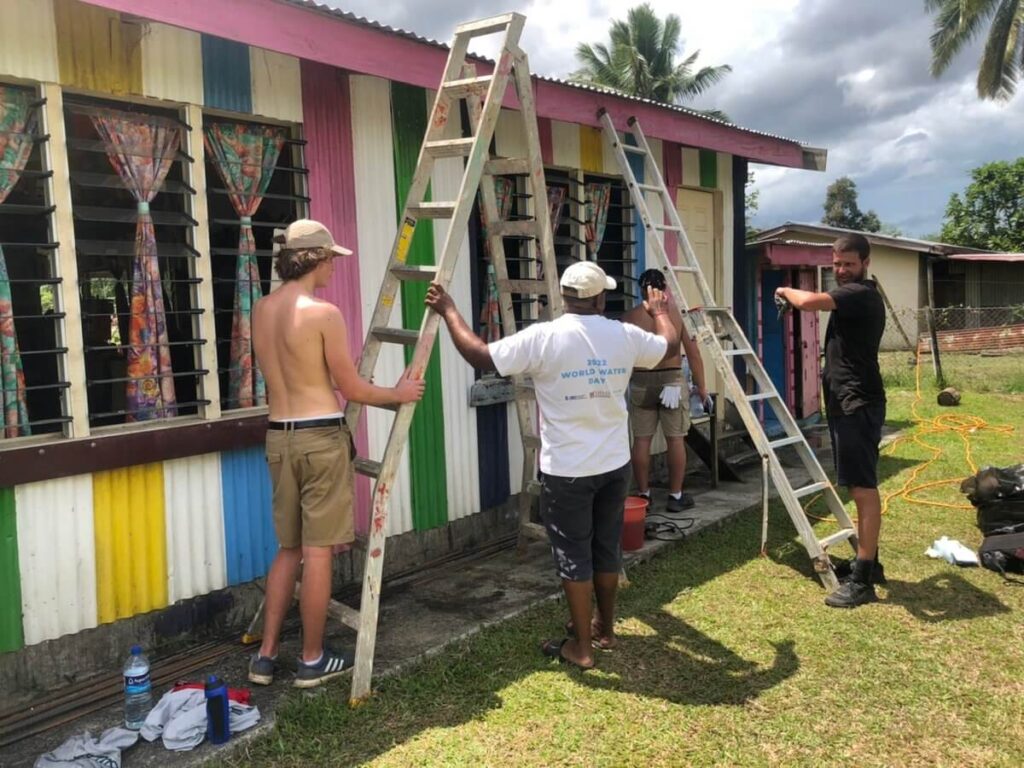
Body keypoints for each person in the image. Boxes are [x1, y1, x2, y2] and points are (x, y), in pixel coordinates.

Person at [425, 261, 676, 669]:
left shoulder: (544, 338)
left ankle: (581, 648)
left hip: (567, 469)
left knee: (574, 554)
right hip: (615, 464)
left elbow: (481, 355)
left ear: (564, 297)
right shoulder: (624, 335)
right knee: (605, 547)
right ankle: (604, 628)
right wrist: (660, 311)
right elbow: (666, 343)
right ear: (598, 298)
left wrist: (449, 310)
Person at [248, 219, 425, 687]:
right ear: (316, 259)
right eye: (331, 259)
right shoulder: (323, 313)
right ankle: (311, 659)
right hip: (319, 436)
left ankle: (265, 657)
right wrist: (399, 392)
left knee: (288, 549)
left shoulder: (261, 309)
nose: (333, 268)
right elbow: (350, 388)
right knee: (318, 552)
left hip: (278, 435)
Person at [774, 233, 886, 608]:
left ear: (865, 263)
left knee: (863, 489)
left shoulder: (860, 294)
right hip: (847, 403)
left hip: (857, 403)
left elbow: (807, 302)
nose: (840, 271)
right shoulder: (851, 298)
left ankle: (864, 579)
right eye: (836, 264)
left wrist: (784, 289)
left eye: (848, 264)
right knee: (858, 486)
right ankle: (868, 562)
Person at [621, 268, 710, 512]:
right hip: (671, 380)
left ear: (641, 291)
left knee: (641, 440)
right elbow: (694, 355)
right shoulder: (677, 315)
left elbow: (623, 357)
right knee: (675, 440)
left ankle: (644, 495)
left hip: (640, 381)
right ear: (665, 289)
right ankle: (675, 495)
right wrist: (702, 388)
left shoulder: (629, 317)